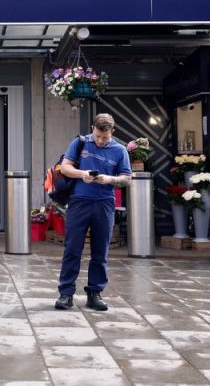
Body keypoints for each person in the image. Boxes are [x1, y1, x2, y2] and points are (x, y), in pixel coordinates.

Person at [54, 113, 132, 312]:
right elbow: (65, 167)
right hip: (79, 201)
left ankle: (95, 293)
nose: (100, 140)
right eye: (97, 135)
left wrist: (110, 179)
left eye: (104, 137)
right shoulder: (79, 143)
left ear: (112, 131)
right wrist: (83, 174)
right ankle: (66, 293)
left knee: (100, 250)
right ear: (92, 128)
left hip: (104, 203)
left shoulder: (120, 150)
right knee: (72, 248)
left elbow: (126, 178)